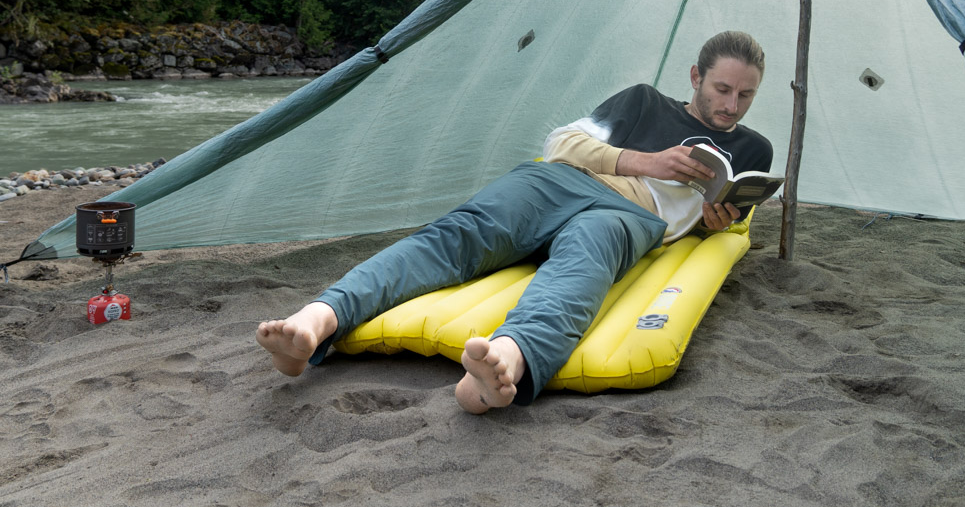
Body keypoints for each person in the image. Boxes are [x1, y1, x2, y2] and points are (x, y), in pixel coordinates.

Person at [257, 31, 772, 413]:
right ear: (695, 77)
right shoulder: (642, 101)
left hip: (632, 216)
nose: (731, 106)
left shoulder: (754, 148)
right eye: (722, 89)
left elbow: (720, 220)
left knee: (583, 265)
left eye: (745, 96)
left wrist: (717, 218)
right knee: (457, 236)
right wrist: (646, 161)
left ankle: (505, 360)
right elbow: (562, 143)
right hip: (561, 181)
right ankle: (314, 322)